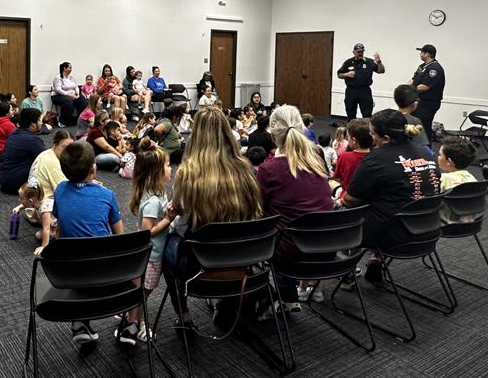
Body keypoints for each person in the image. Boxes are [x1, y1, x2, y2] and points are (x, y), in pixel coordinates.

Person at [163, 106, 261, 328]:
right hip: (240, 255)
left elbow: (178, 211)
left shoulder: (188, 173)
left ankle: (183, 315)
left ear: (196, 135)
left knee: (163, 244)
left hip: (198, 262)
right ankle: (229, 302)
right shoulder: (245, 170)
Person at [342, 109, 440, 282]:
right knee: (392, 203)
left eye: (372, 134)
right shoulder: (426, 153)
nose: (371, 138)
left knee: (337, 212)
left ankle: (342, 269)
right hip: (428, 229)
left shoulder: (377, 158)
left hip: (394, 235)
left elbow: (350, 200)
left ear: (385, 139)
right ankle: (376, 259)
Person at [258, 105, 334, 305]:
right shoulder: (317, 159)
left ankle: (287, 299)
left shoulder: (270, 168)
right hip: (329, 245)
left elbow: (259, 210)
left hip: (291, 253)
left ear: (273, 137)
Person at [53, 141, 123, 347]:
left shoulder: (60, 190)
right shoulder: (107, 195)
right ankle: (130, 321)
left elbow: (60, 231)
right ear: (94, 168)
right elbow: (120, 237)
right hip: (105, 272)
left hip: (70, 271)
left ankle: (81, 321)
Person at [120, 137, 172, 345]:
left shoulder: (157, 193)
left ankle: (131, 316)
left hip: (154, 253)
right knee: (144, 291)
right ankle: (134, 321)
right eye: (167, 166)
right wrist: (168, 219)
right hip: (151, 255)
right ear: (156, 173)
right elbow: (147, 232)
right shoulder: (151, 201)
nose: (171, 169)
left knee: (143, 290)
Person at [0, 108, 45, 194]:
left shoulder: (14, 133)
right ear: (33, 124)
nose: (42, 123)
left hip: (3, 178)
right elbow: (47, 159)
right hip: (16, 183)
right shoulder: (32, 140)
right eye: (40, 120)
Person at [337, 43, 385, 120]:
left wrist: (379, 62)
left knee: (367, 114)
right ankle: (351, 130)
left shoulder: (369, 62)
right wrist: (347, 74)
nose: (360, 54)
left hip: (365, 91)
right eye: (358, 52)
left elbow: (381, 71)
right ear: (354, 52)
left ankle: (367, 131)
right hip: (351, 91)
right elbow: (339, 74)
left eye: (362, 52)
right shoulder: (348, 62)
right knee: (350, 113)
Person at [437, 137, 478, 225]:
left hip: (445, 223)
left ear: (449, 161)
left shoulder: (444, 179)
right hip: (470, 224)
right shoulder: (472, 179)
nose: (438, 157)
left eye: (440, 155)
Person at [408, 44, 445, 139]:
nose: (420, 54)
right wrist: (403, 88)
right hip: (419, 101)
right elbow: (413, 80)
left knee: (423, 127)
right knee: (415, 126)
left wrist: (410, 89)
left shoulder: (434, 69)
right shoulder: (423, 66)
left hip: (428, 103)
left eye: (421, 52)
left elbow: (425, 86)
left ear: (427, 54)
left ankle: (426, 150)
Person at [13, 179, 56, 255]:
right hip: (52, 225)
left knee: (42, 235)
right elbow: (25, 204)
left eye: (21, 198)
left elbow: (47, 228)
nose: (19, 200)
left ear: (30, 201)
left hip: (59, 227)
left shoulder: (44, 209)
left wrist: (43, 247)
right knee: (38, 235)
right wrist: (19, 207)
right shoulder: (38, 200)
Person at [331, 119, 371, 200]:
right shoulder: (376, 156)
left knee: (330, 183)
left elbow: (338, 177)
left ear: (354, 140)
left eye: (348, 137)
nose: (347, 139)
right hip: (368, 197)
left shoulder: (344, 156)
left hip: (347, 196)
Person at [394, 84, 432, 155]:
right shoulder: (415, 121)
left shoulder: (390, 117)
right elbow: (422, 145)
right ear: (415, 103)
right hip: (409, 155)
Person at [51, 62, 86, 128]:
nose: (71, 69)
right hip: (58, 96)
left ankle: (79, 120)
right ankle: (62, 121)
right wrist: (68, 94)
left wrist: (77, 94)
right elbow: (57, 89)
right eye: (70, 68)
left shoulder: (71, 78)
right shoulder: (58, 78)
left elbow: (76, 87)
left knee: (82, 101)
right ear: (65, 68)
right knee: (68, 101)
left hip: (72, 95)